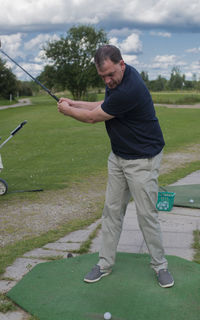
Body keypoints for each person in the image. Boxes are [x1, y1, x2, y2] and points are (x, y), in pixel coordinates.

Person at [57, 44, 174, 288]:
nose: (108, 80)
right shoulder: (119, 81)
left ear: (122, 64)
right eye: (103, 77)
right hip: (119, 157)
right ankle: (104, 263)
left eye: (111, 74)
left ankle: (160, 266)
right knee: (112, 212)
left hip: (143, 160)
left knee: (146, 215)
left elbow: (93, 117)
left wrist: (68, 111)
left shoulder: (130, 88)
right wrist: (76, 103)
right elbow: (102, 104)